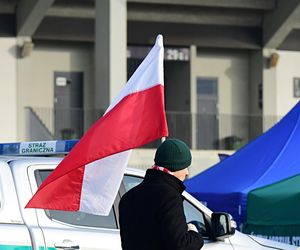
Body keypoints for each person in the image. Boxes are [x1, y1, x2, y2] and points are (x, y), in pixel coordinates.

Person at [119, 138, 204, 250]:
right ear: (176, 167)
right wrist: (194, 234)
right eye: (185, 167)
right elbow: (180, 245)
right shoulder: (170, 197)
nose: (187, 173)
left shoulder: (128, 197)